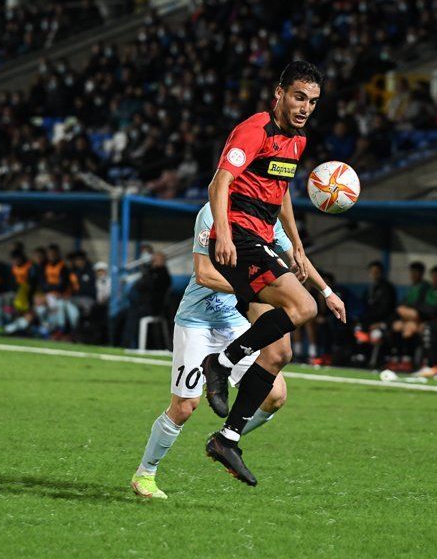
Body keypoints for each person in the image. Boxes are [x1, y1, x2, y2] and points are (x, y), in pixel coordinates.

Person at [132, 202, 344, 498]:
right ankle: (146, 473)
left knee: (275, 396)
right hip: (198, 322)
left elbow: (296, 259)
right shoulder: (212, 212)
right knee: (184, 407)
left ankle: (224, 439)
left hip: (234, 323)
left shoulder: (264, 215)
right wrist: (254, 287)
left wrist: (327, 292)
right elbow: (204, 274)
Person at [200, 61, 347, 485]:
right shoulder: (256, 129)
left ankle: (226, 439)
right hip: (240, 233)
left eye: (313, 101)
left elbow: (280, 195)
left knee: (280, 353)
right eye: (299, 97)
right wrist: (223, 234)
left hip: (263, 236)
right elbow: (219, 184)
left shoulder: (298, 140)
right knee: (303, 306)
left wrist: (298, 246)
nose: (305, 108)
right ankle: (222, 362)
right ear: (279, 92)